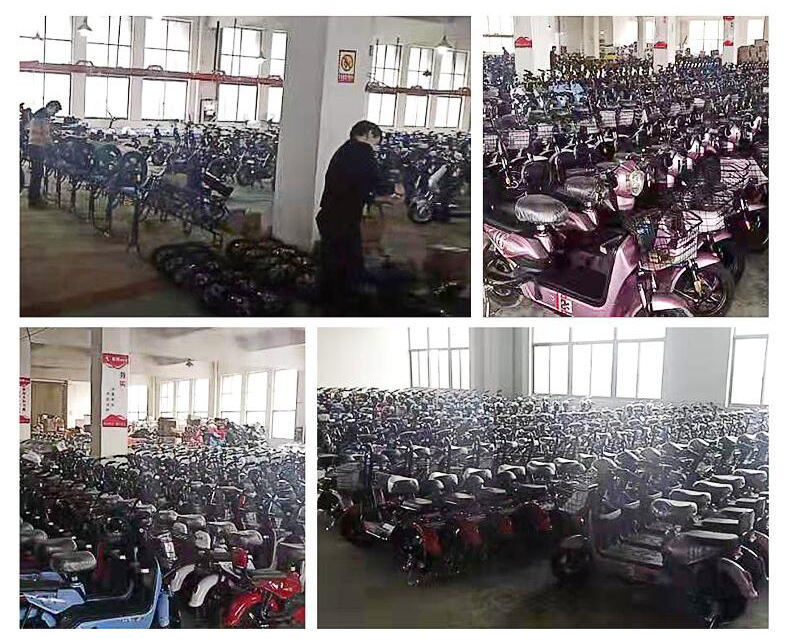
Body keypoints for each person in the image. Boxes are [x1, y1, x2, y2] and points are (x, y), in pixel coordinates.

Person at [315, 120, 403, 314]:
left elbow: (354, 185)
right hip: (342, 219)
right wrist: (391, 190)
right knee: (348, 265)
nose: (375, 146)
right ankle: (344, 307)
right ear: (369, 134)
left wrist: (375, 198)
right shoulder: (361, 151)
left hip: (330, 215)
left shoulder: (345, 150)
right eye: (376, 140)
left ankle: (327, 303)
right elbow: (371, 178)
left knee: (332, 263)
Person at [26, 99, 61, 208]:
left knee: (35, 174)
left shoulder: (38, 115)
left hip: (32, 145)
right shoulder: (43, 117)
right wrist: (53, 145)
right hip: (37, 146)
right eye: (55, 111)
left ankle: (33, 198)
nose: (54, 114)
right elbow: (46, 134)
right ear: (51, 107)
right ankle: (35, 199)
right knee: (38, 173)